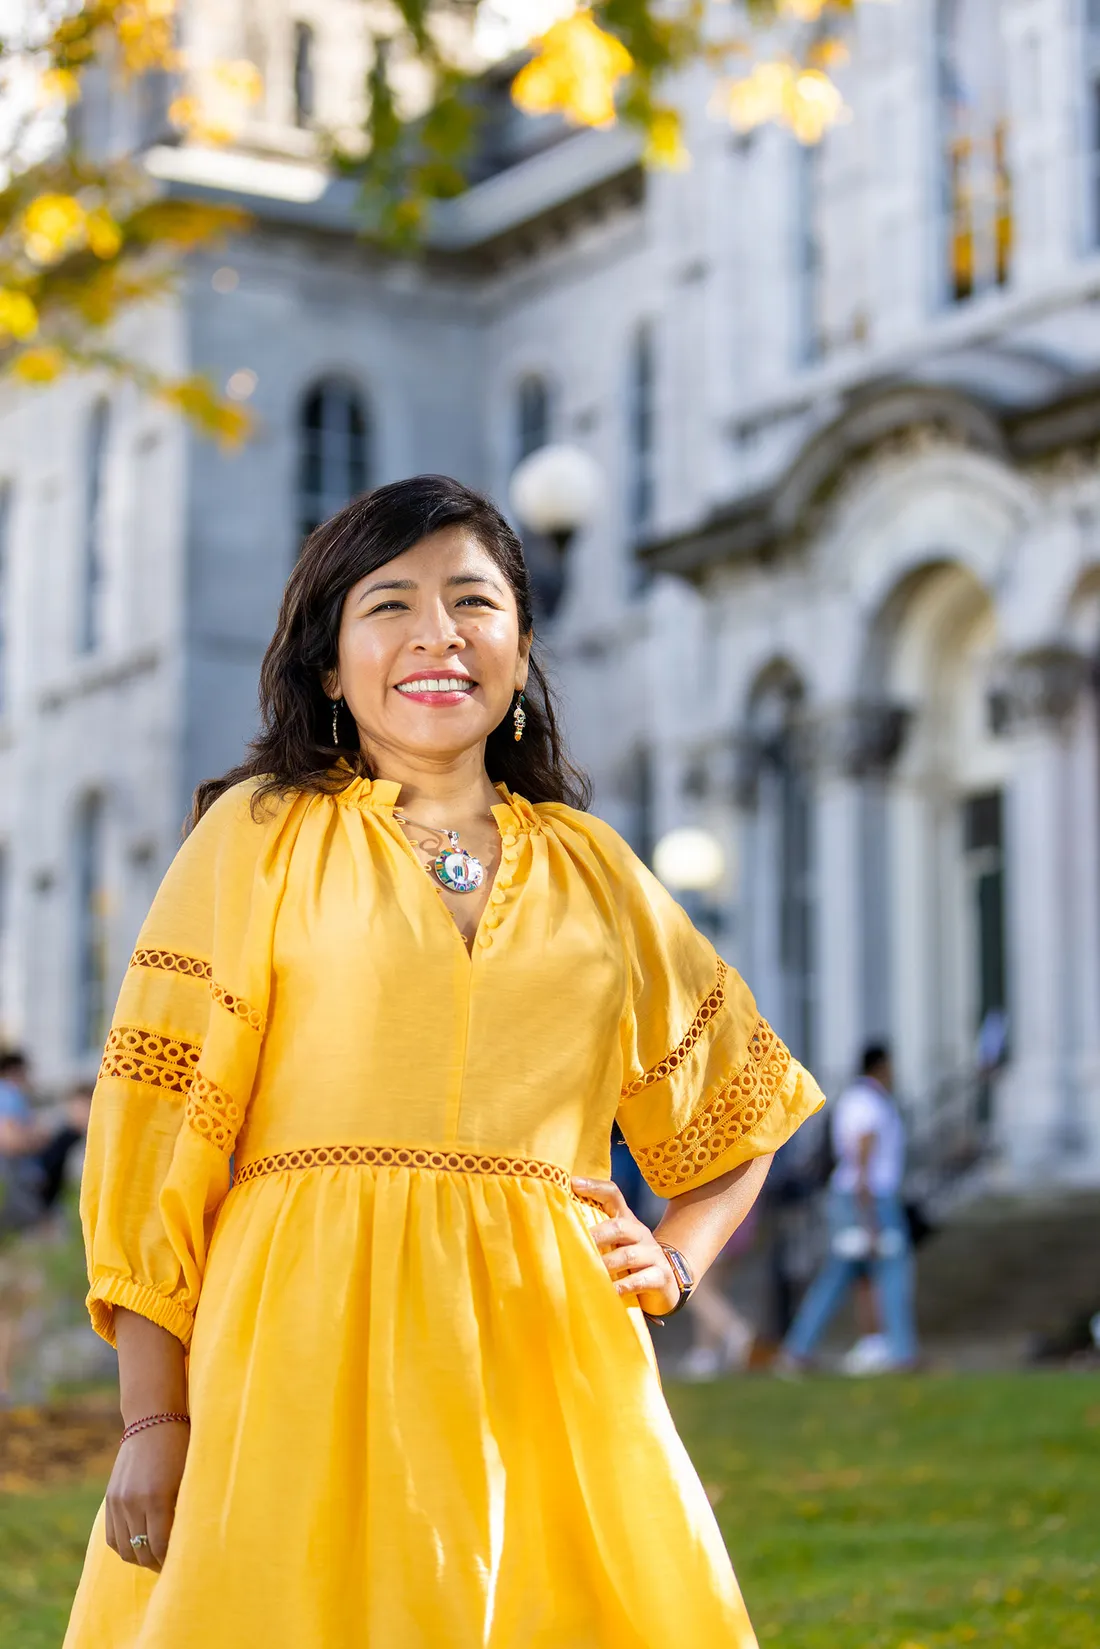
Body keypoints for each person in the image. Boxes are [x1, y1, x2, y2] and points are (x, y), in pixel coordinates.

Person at [64, 476, 825, 1649]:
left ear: (519, 647)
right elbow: (156, 1139)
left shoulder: (597, 868)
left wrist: (671, 1260)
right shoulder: (258, 836)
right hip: (297, 1346)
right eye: (390, 604)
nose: (437, 634)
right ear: (328, 662)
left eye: (473, 601)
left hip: (548, 1349)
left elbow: (740, 1112)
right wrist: (150, 1418)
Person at [780, 1043, 917, 1374]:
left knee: (838, 1277)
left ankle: (798, 1349)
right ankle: (901, 1352)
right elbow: (863, 1164)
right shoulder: (870, 1104)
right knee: (894, 1273)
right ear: (881, 1067)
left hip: (852, 1197)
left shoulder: (855, 1100)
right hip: (871, 1199)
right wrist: (869, 1216)